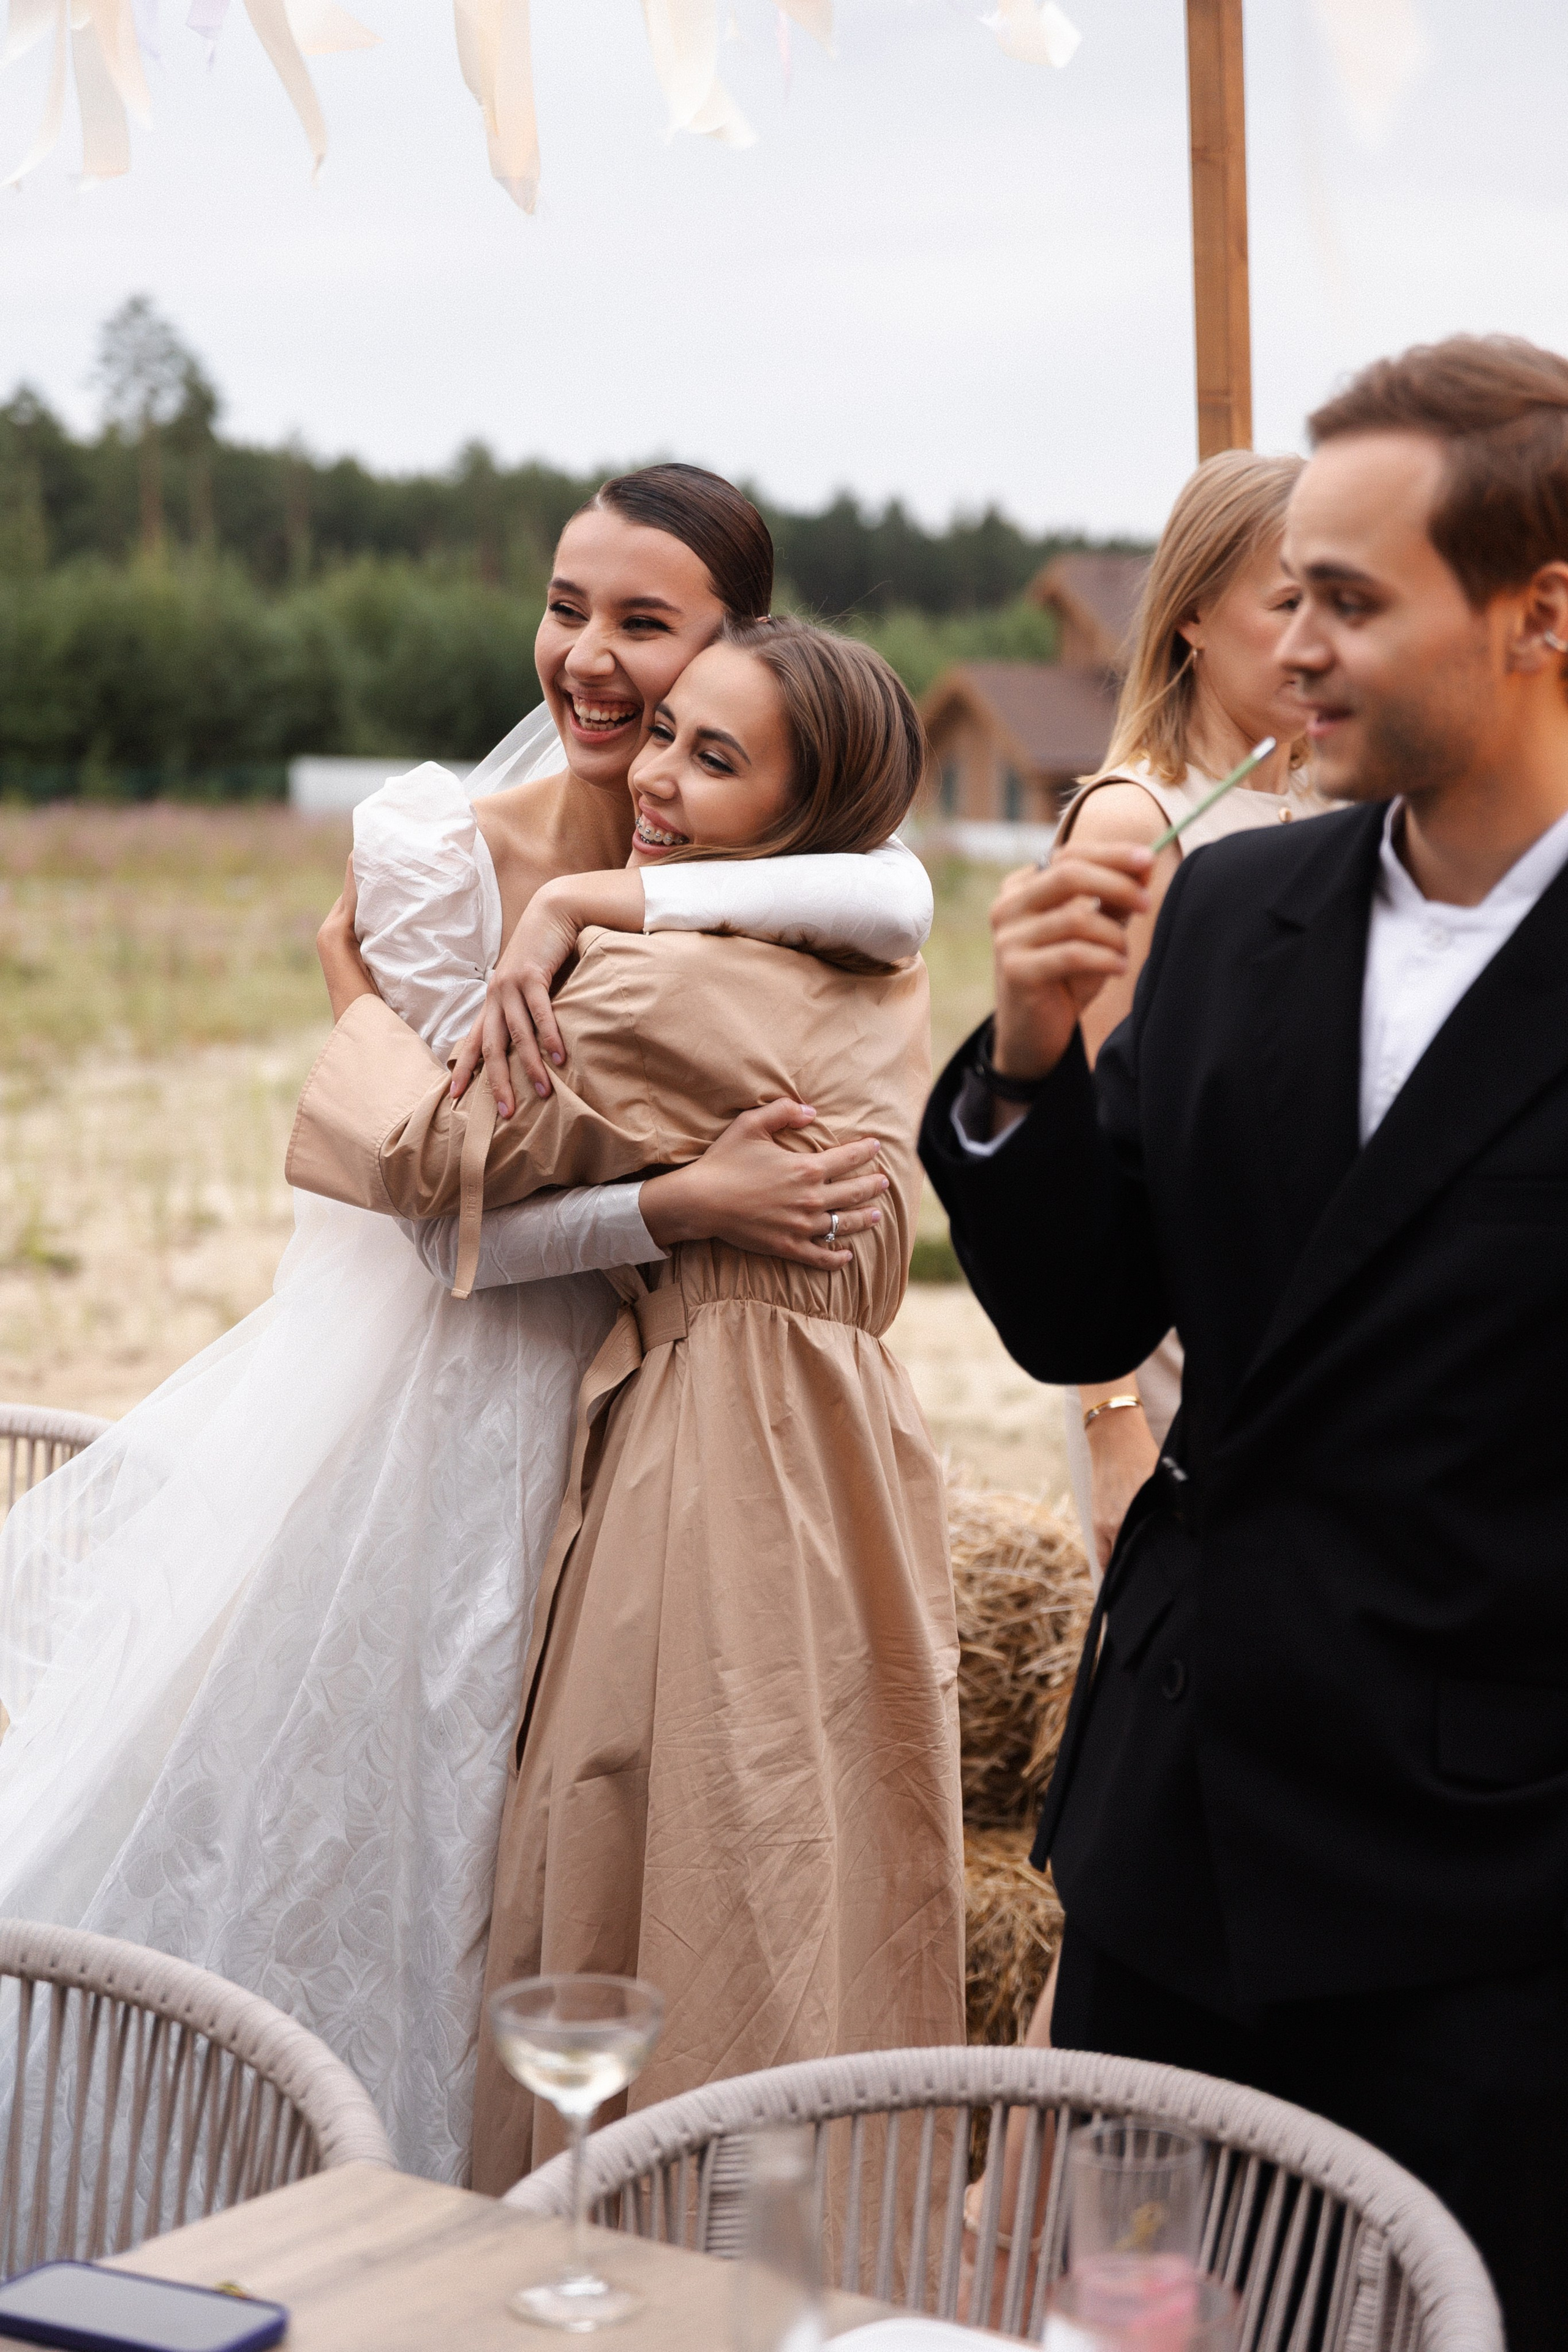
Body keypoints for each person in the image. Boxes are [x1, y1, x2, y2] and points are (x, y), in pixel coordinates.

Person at [0, 466, 929, 2187]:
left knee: (542, 1862)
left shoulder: (776, 878)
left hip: (633, 1427)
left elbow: (904, 899)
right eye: (568, 604)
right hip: (455, 1395)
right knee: (376, 1824)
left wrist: (600, 908)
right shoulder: (439, 860)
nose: (586, 659)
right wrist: (676, 1202)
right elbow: (431, 1228)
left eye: (644, 625)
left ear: (751, 657)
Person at [920, 333, 1568, 2351]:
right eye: (1288, 593)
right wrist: (1023, 1065)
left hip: (1491, 1886)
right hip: (1168, 1844)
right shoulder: (1234, 913)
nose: (1294, 647)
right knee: (1141, 2335)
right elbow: (1087, 1312)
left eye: (1352, 600)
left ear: (1542, 616)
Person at [293, 616, 968, 2193]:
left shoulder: (666, 993)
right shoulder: (870, 961)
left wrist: (356, 996)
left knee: (662, 1840)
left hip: (719, 1445)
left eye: (712, 756)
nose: (654, 775)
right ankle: (832, 2249)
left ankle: (633, 2244)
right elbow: (893, 882)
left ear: (806, 814)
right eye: (663, 733)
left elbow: (428, 1161)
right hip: (862, 1442)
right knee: (835, 1851)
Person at [1047, 451, 1326, 1577]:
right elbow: (1084, 1157)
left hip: (1314, 1336)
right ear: (1196, 614)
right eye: (1292, 600)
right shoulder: (1135, 826)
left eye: (1349, 601)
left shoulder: (1346, 816)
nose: (1324, 636)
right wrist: (1114, 1423)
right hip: (1172, 1353)